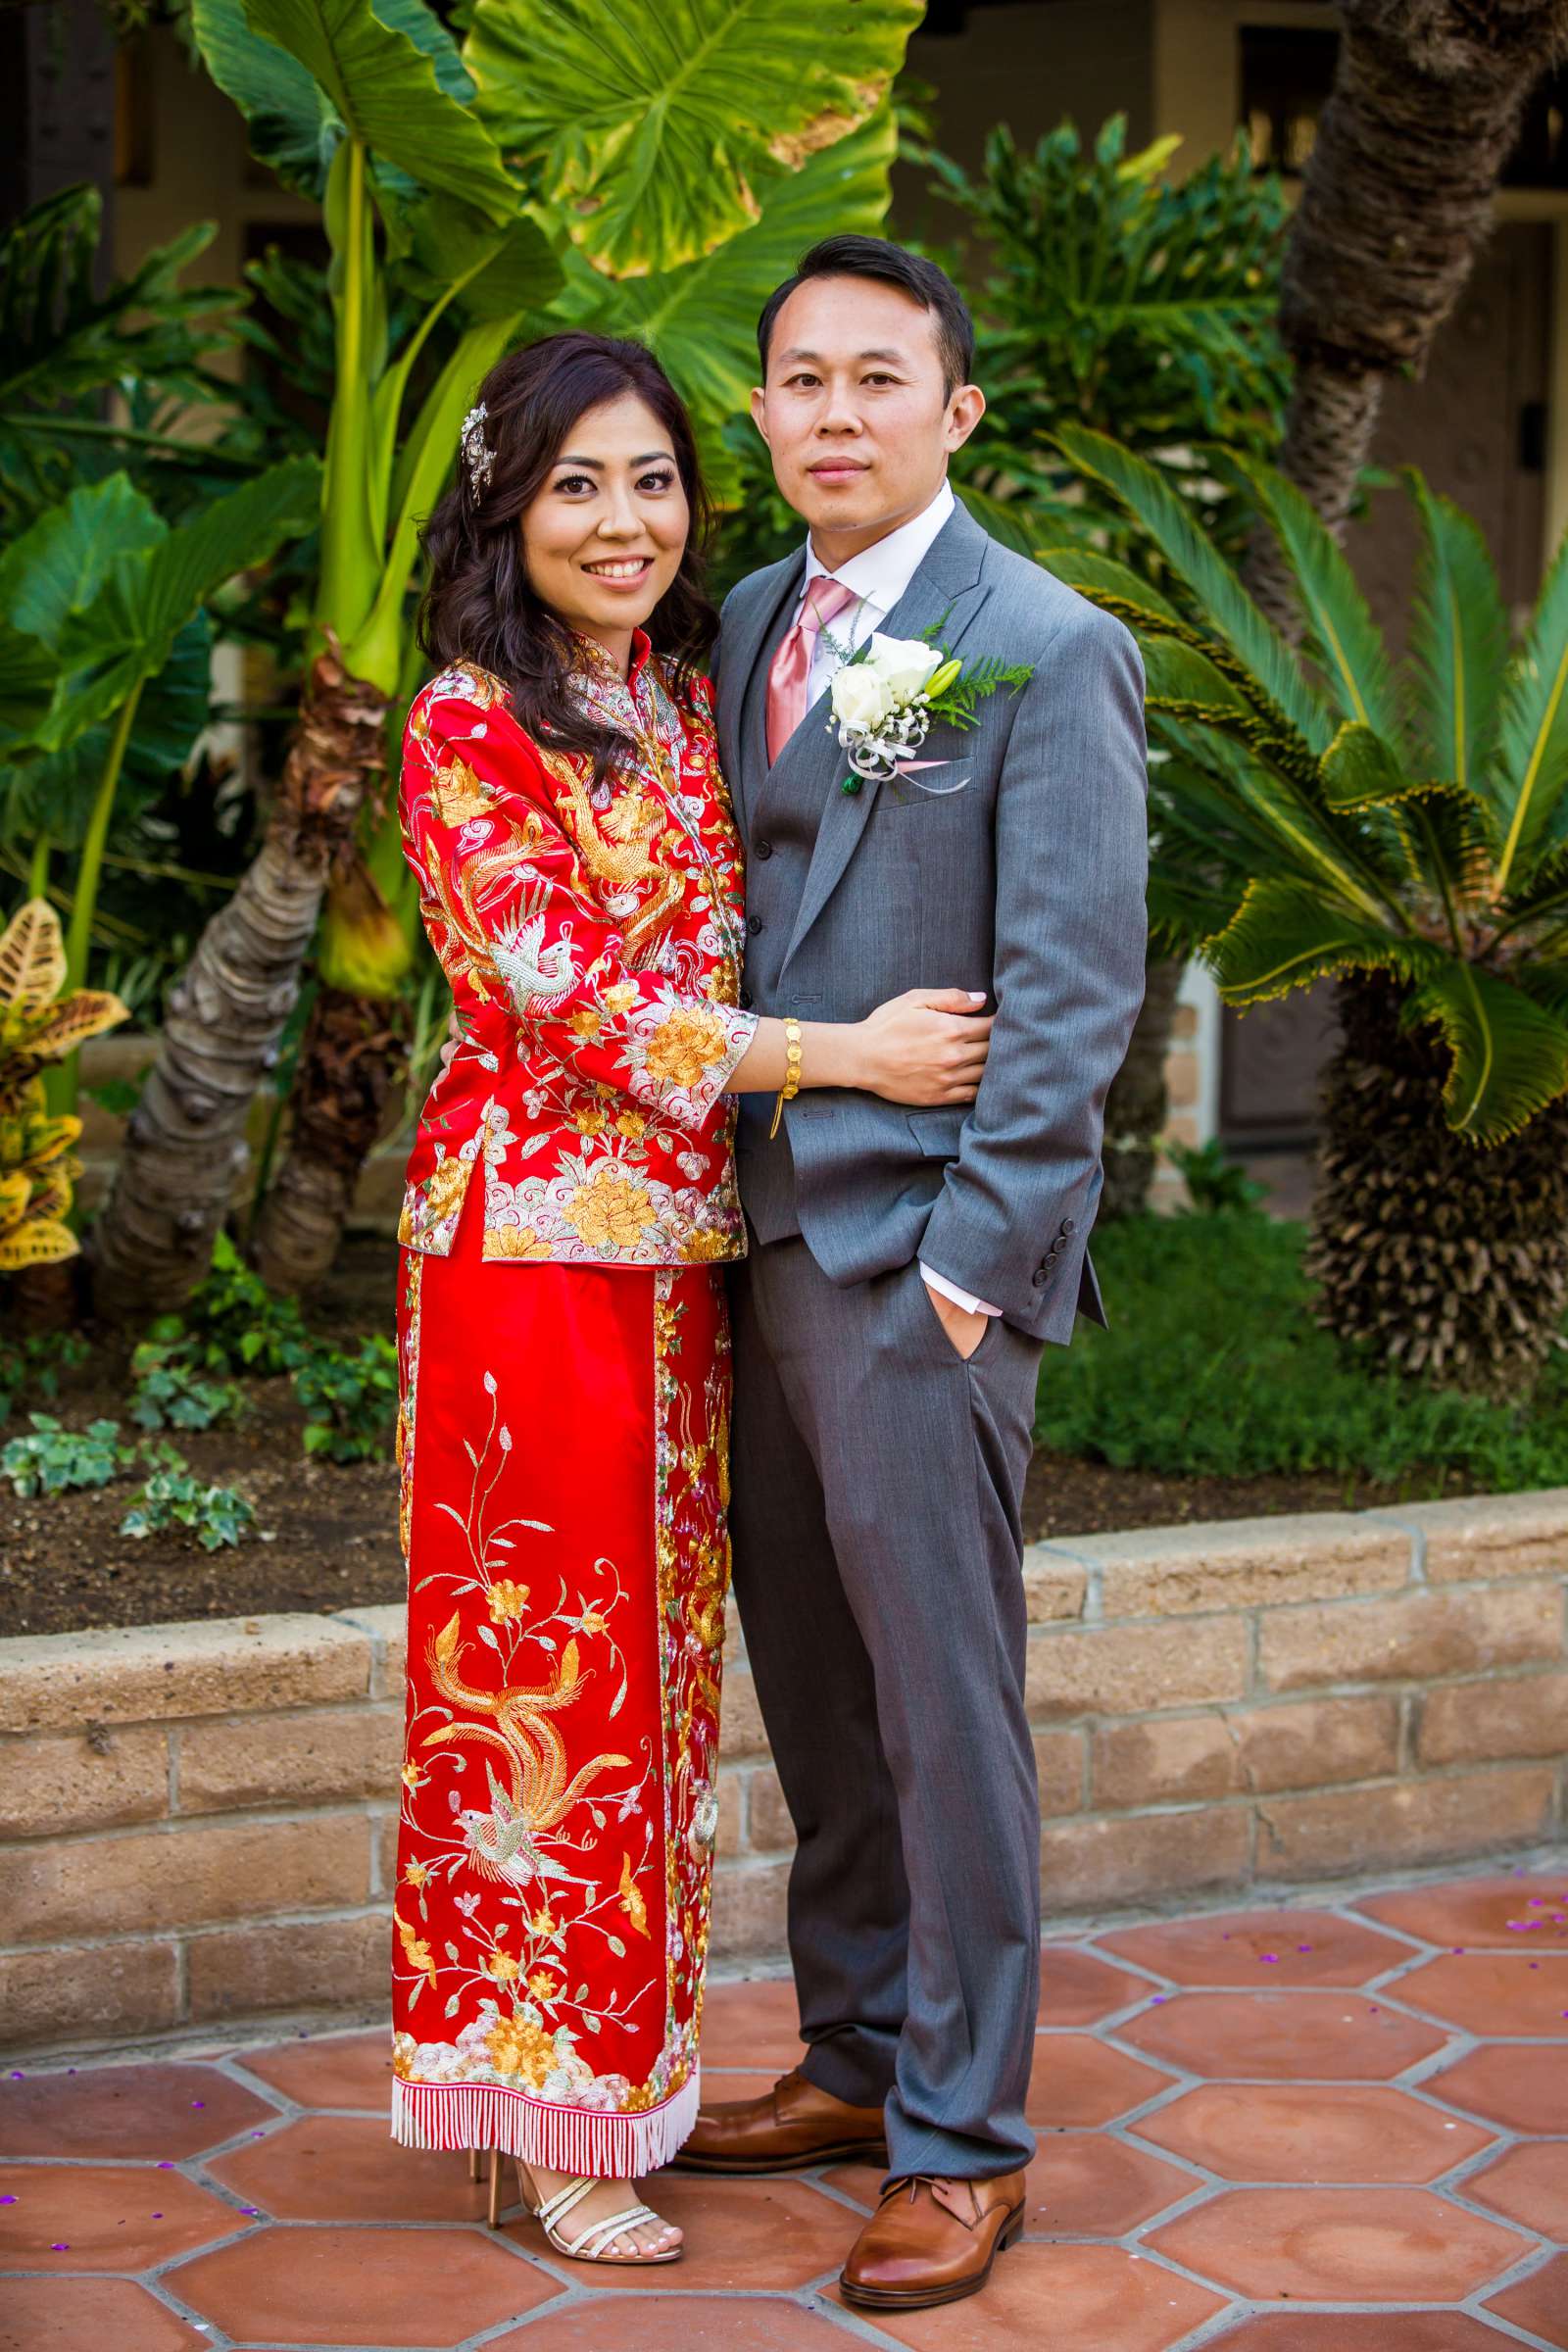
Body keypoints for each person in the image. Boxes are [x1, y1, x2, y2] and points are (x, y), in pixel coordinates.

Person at [388, 327, 995, 2271]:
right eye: (576, 485)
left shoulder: (675, 690)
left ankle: (607, 2086)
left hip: (683, 1267)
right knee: (533, 1689)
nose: (622, 519)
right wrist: (842, 1058)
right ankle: (537, 2110)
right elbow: (582, 1005)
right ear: (506, 502)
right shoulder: (466, 723)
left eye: (650, 480)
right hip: (531, 1266)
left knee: (653, 1698)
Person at [673, 237, 1150, 2315]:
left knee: (942, 1718)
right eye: (799, 380)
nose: (834, 413)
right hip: (756, 1245)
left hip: (913, 1271)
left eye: (880, 378)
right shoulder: (756, 616)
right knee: (818, 1696)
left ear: (956, 412)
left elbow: (1069, 1003)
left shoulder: (1040, 646)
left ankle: (963, 2143)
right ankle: (857, 2059)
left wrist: (970, 1273)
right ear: (760, 415)